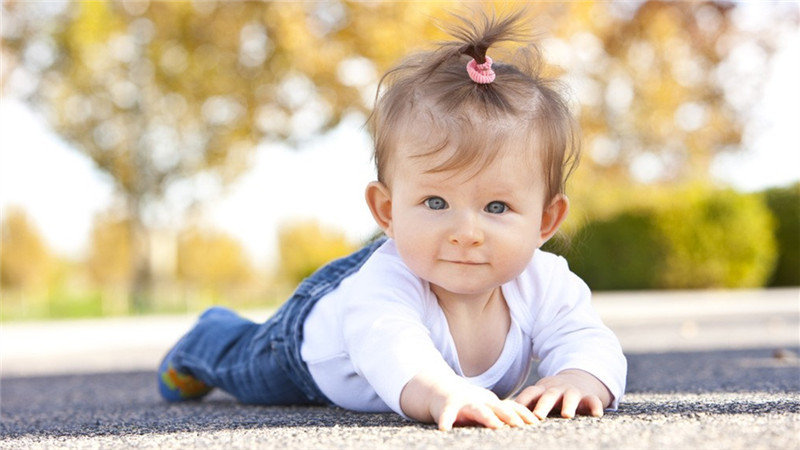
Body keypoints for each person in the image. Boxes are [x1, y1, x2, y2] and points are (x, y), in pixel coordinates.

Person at [158, 9, 627, 431]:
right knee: (242, 366)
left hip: (396, 263)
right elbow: (390, 344)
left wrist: (580, 376)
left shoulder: (542, 282)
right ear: (387, 210)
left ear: (546, 220)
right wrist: (442, 391)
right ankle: (204, 338)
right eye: (436, 203)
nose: (466, 233)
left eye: (497, 208)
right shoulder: (384, 286)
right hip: (311, 345)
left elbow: (586, 336)